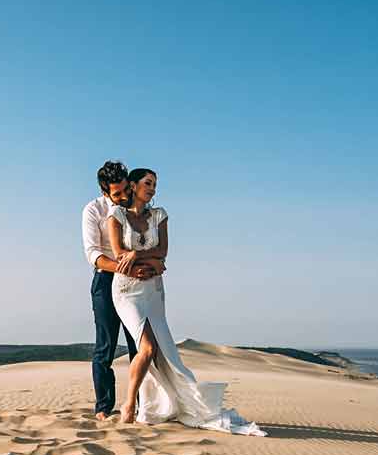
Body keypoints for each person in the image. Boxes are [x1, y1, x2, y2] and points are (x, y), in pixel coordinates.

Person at [106, 168, 266, 436]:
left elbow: (163, 252)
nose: (153, 188)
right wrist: (145, 259)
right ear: (133, 185)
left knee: (165, 352)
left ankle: (157, 403)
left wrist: (140, 257)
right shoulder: (117, 215)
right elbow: (119, 254)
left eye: (155, 184)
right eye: (148, 183)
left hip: (154, 291)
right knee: (146, 347)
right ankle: (129, 404)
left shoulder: (160, 215)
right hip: (126, 290)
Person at [81, 161, 167, 420]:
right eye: (116, 193)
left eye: (124, 191)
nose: (121, 197)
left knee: (138, 346)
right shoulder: (93, 210)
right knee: (105, 346)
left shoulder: (139, 209)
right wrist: (127, 269)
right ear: (104, 191)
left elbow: (154, 245)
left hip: (140, 283)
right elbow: (93, 254)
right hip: (107, 279)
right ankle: (104, 407)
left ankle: (142, 405)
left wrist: (150, 265)